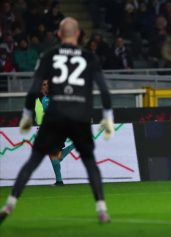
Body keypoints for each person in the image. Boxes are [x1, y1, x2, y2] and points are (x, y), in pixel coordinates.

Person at [0, 17, 114, 224]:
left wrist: (27, 115)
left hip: (56, 113)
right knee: (90, 162)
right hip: (79, 113)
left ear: (59, 35)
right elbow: (104, 89)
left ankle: (10, 203)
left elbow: (34, 86)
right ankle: (102, 208)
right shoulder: (89, 56)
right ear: (78, 34)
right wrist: (108, 116)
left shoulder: (49, 55)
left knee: (34, 160)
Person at [35, 79, 75, 186]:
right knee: (55, 156)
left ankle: (59, 181)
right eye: (44, 84)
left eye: (47, 84)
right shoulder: (43, 98)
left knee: (53, 155)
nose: (46, 86)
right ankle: (59, 181)